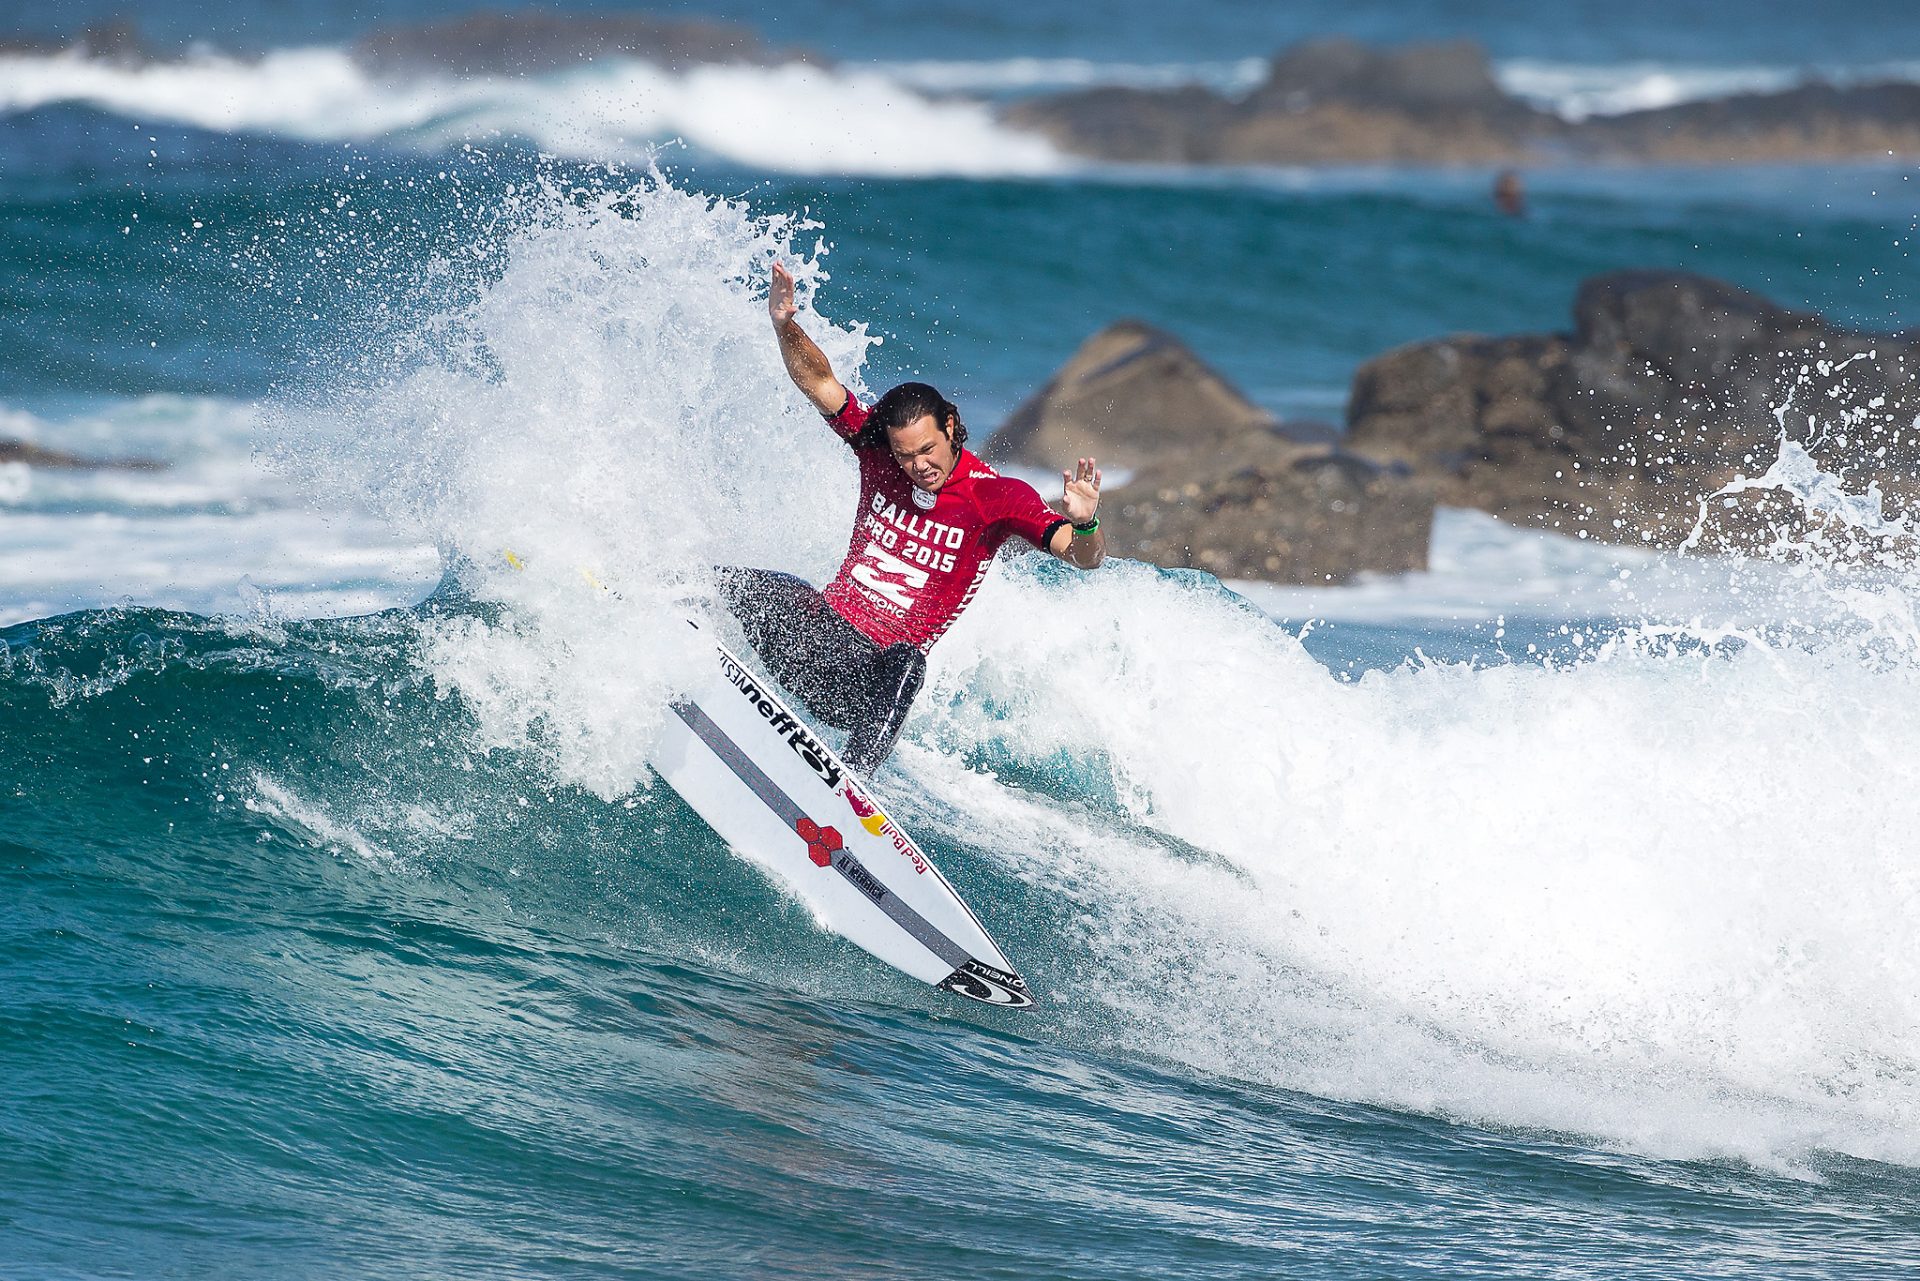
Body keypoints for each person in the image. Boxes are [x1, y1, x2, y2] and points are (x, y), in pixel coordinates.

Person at [717, 261, 1106, 775]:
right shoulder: (878, 453)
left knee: (908, 662)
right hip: (817, 642)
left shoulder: (996, 498)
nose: (918, 465)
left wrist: (1084, 524)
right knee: (764, 588)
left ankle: (849, 785)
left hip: (867, 684)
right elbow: (820, 382)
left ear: (950, 427)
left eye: (927, 449)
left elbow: (1083, 558)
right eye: (905, 455)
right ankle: (648, 611)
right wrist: (784, 325)